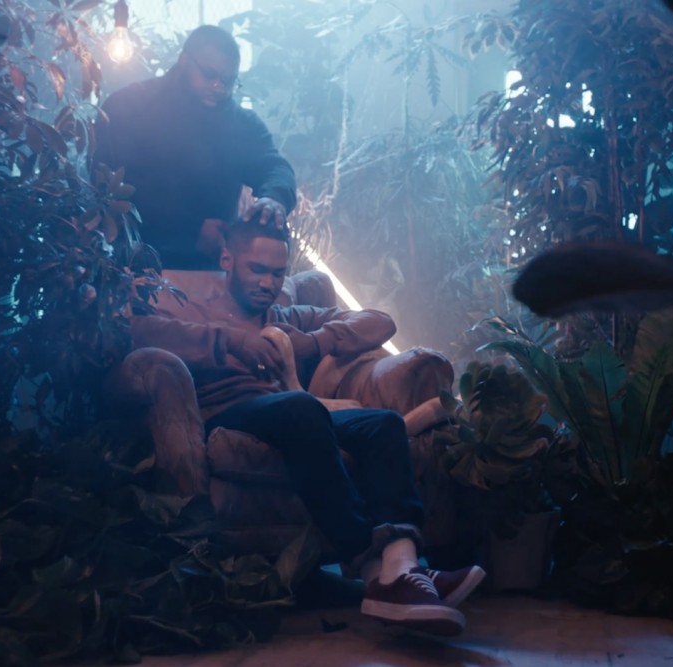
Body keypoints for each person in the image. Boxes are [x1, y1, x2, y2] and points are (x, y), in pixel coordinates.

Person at [128, 221, 486, 635]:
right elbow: (140, 330)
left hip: (295, 414)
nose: (267, 283)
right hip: (228, 414)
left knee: (384, 424)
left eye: (277, 274)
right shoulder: (191, 309)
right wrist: (232, 341)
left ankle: (403, 566)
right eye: (256, 269)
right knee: (300, 407)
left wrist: (312, 342)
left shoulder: (287, 316)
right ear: (227, 259)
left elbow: (380, 322)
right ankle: (372, 566)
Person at [94, 24, 296, 270]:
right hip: (129, 267)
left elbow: (274, 166)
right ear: (184, 61)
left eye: (228, 81)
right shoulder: (128, 107)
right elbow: (109, 190)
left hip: (207, 272)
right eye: (210, 75)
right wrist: (191, 230)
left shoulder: (241, 125)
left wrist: (275, 198)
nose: (219, 87)